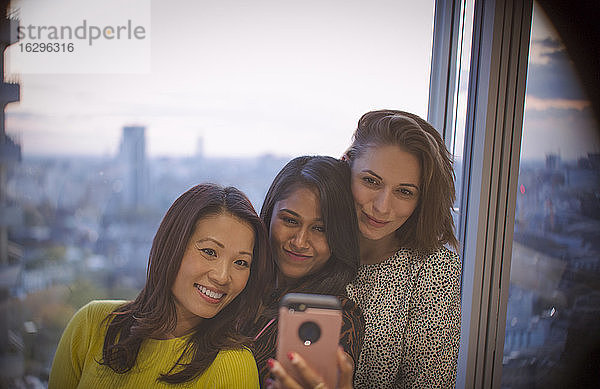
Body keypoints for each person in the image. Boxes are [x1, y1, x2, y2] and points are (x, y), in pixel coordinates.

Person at [49, 183, 273, 388]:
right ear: (172, 245)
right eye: (209, 252)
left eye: (241, 263)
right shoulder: (91, 325)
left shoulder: (234, 365)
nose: (223, 277)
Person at [343, 110, 462, 388]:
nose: (382, 207)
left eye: (404, 192)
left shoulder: (436, 271)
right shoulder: (309, 242)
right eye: (371, 181)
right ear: (345, 166)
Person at [246, 156, 365, 388]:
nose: (300, 242)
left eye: (320, 228)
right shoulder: (239, 279)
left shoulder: (339, 315)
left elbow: (334, 371)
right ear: (269, 215)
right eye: (290, 221)